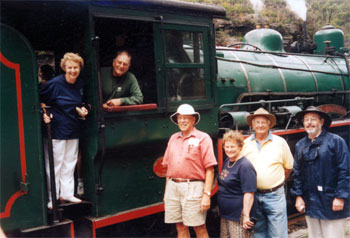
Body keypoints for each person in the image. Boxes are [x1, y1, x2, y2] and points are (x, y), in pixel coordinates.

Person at [291, 106, 350, 238]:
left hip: (331, 200)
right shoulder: (300, 145)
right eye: (306, 119)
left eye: (313, 119)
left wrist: (340, 196)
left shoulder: (336, 141)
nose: (309, 122)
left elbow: (345, 171)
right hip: (311, 202)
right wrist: (298, 196)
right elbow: (297, 173)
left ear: (322, 122)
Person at [40, 52, 89, 209]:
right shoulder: (54, 84)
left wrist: (83, 109)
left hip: (73, 127)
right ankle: (52, 197)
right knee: (55, 164)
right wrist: (44, 114)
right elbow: (41, 101)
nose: (73, 70)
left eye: (75, 67)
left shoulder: (80, 84)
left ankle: (67, 193)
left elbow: (83, 102)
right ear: (64, 68)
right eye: (70, 67)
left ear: (79, 68)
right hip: (56, 129)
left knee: (70, 162)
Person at [162, 104, 217, 238]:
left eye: (186, 118)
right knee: (180, 226)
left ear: (193, 120)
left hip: (194, 187)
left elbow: (210, 169)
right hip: (173, 187)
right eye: (180, 118)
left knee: (199, 227)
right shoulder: (173, 138)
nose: (182, 121)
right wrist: (166, 193)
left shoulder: (203, 138)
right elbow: (168, 170)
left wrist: (206, 195)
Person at [241, 108, 294, 238]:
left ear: (269, 124)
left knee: (278, 233)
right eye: (257, 122)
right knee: (258, 233)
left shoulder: (280, 142)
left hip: (275, 195)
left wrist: (276, 183)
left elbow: (288, 167)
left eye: (263, 122)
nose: (260, 125)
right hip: (254, 195)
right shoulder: (245, 144)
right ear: (252, 125)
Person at [217, 130, 257, 238]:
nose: (229, 149)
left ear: (240, 147)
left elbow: (249, 193)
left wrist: (246, 216)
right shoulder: (228, 161)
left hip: (238, 215)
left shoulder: (245, 166)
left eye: (232, 147)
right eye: (227, 146)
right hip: (226, 213)